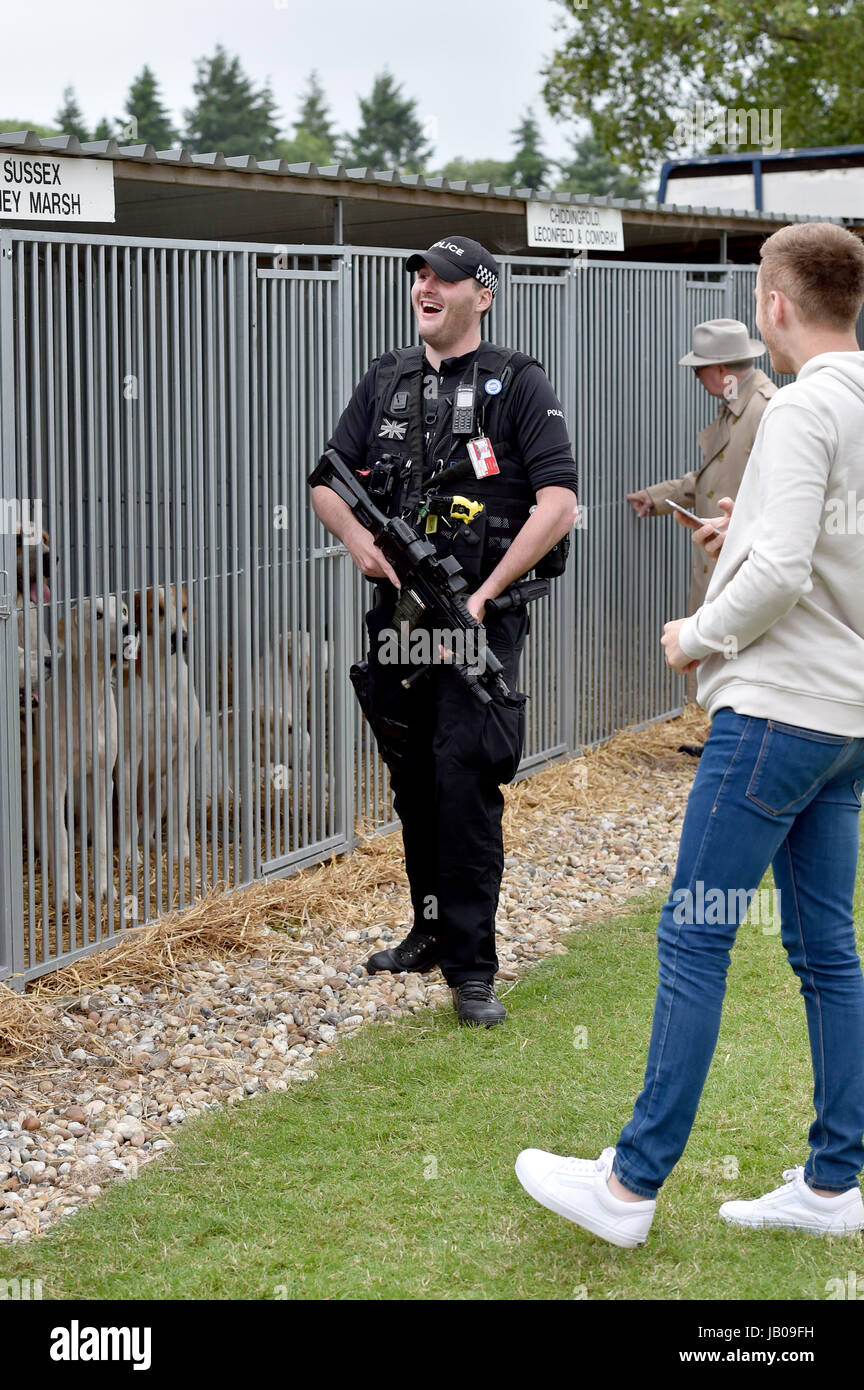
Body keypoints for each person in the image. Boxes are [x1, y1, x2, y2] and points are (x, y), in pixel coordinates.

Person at [516, 220, 864, 1244]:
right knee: (827, 951)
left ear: (775, 307)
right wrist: (742, 537)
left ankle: (627, 1185)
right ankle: (836, 1183)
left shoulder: (802, 411)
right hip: (846, 726)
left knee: (694, 932)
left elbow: (789, 571)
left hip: (775, 717)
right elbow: (815, 551)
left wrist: (696, 634)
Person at [308, 235, 578, 1026]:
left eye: (445, 278)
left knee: (465, 779)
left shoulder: (517, 384)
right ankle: (428, 930)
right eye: (420, 275)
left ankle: (472, 969)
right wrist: (359, 544)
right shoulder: (385, 379)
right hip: (397, 622)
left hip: (476, 622)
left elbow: (557, 503)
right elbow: (327, 478)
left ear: (481, 295)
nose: (426, 286)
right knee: (412, 777)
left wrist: (486, 594)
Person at [627, 319, 776, 715]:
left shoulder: (765, 410)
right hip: (723, 555)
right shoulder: (739, 410)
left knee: (740, 664)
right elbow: (712, 478)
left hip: (744, 562)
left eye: (699, 369)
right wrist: (659, 497)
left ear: (722, 370)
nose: (696, 377)